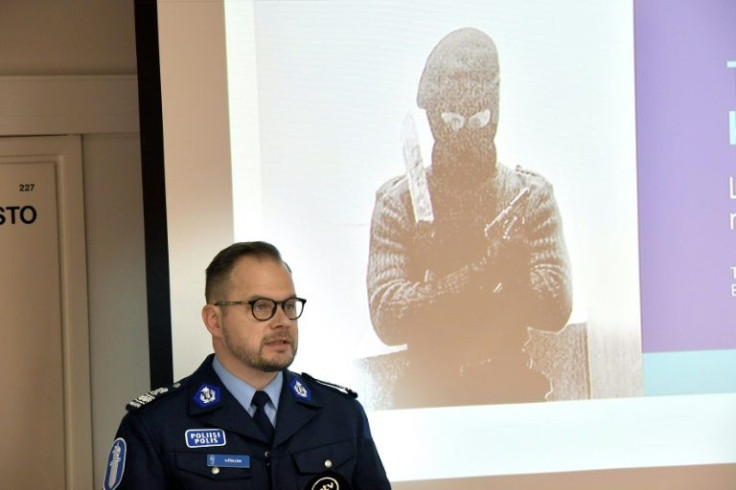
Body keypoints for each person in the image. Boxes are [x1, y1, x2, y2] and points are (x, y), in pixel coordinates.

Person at [366, 28, 573, 407]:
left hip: (511, 393)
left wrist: (517, 280)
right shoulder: (398, 203)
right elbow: (388, 317)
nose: (467, 134)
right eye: (454, 122)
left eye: (479, 120)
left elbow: (556, 308)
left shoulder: (529, 197)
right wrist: (482, 275)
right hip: (428, 401)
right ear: (434, 119)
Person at [103, 241, 391, 489]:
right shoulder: (155, 426)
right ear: (214, 320)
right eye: (261, 306)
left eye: (289, 306)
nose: (283, 321)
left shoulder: (341, 415)